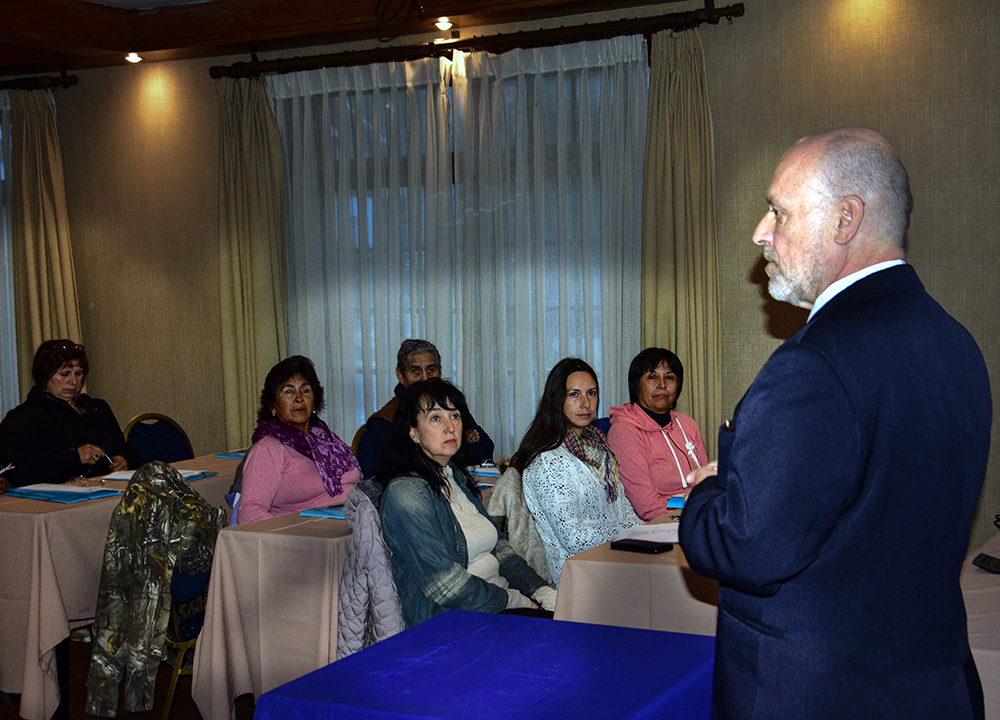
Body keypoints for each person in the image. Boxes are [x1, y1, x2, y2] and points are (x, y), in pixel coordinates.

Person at [679, 128, 991, 719]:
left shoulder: (814, 364)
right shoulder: (956, 345)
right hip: (931, 691)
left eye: (778, 211)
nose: (759, 232)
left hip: (816, 697)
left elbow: (742, 548)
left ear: (846, 219)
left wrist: (707, 494)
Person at [377, 378, 556, 627]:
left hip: (496, 605)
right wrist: (514, 600)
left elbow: (499, 548)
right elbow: (444, 586)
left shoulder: (454, 477)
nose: (450, 427)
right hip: (453, 623)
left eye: (456, 416)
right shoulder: (406, 494)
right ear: (413, 432)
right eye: (436, 418)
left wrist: (540, 590)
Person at [516, 358, 640, 584]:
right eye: (574, 394)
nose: (585, 403)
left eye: (591, 393)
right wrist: (631, 528)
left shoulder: (599, 448)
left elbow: (624, 509)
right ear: (556, 400)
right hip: (580, 577)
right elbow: (575, 539)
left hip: (617, 560)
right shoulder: (548, 461)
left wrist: (640, 529)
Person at [238, 355, 361, 523]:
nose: (299, 398)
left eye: (305, 391)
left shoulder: (326, 439)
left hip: (352, 527)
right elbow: (249, 513)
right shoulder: (268, 449)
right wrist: (294, 538)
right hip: (306, 539)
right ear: (272, 405)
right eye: (289, 391)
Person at [0, 339, 139, 487]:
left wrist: (124, 459)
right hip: (54, 500)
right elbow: (15, 472)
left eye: (78, 373)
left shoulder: (96, 408)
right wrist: (75, 458)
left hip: (108, 490)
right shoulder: (24, 417)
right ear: (44, 377)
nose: (73, 381)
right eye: (65, 374)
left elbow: (126, 449)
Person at [358, 338, 494, 476]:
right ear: (401, 376)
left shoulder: (447, 403)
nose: (424, 378)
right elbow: (404, 468)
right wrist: (462, 443)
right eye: (416, 371)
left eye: (430, 370)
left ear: (440, 373)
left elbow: (485, 449)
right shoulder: (384, 421)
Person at [607, 347, 708, 521]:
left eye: (669, 377)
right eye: (652, 377)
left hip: (698, 515)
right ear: (636, 386)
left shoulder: (687, 424)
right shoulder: (624, 431)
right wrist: (693, 508)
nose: (662, 384)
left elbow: (707, 485)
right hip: (659, 526)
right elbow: (648, 507)